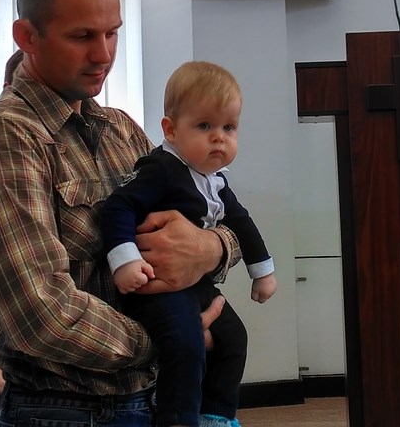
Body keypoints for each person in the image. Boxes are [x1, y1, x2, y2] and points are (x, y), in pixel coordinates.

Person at [0, 0, 242, 427]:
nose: (104, 54)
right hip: (62, 410)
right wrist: (175, 339)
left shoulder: (121, 129)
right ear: (27, 37)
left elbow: (213, 215)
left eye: (112, 33)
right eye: (82, 36)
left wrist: (212, 248)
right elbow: (39, 313)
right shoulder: (3, 137)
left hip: (151, 398)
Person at [101, 61, 276, 427]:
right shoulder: (161, 168)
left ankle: (217, 416)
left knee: (234, 338)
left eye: (229, 127)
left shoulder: (215, 180)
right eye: (204, 126)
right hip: (157, 286)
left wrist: (263, 272)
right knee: (185, 343)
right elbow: (119, 206)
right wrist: (125, 260)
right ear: (171, 129)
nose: (219, 138)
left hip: (196, 284)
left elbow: (241, 222)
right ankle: (178, 419)